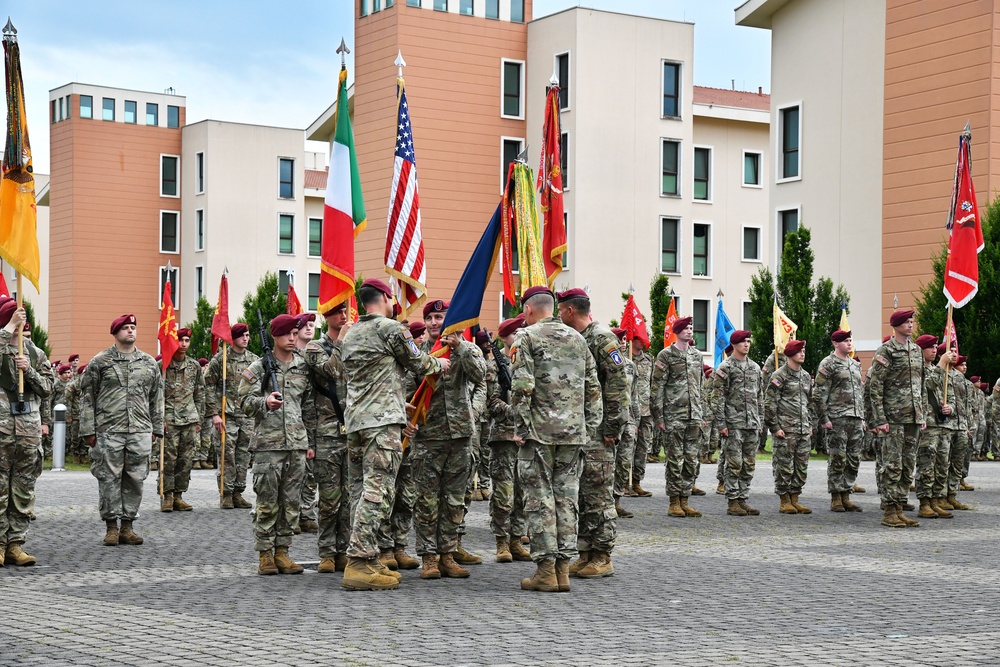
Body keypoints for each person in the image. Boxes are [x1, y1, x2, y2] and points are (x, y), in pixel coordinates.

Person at [340, 279, 449, 591]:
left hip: (358, 421)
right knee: (378, 491)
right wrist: (441, 363)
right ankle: (359, 562)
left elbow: (367, 378)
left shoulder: (352, 333)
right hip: (381, 424)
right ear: (385, 298)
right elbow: (417, 361)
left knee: (361, 491)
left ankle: (367, 555)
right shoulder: (390, 329)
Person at [510, 286, 602, 593]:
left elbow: (522, 386)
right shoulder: (578, 338)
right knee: (566, 499)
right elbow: (593, 388)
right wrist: (587, 428)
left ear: (530, 309)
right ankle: (563, 569)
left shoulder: (527, 337)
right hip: (573, 434)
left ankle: (546, 571)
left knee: (540, 501)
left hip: (539, 434)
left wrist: (521, 429)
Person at [411, 298, 486, 580]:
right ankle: (429, 558)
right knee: (427, 500)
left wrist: (461, 346)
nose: (434, 323)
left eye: (439, 317)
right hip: (428, 435)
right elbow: (407, 387)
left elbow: (480, 376)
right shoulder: (416, 351)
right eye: (429, 318)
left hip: (460, 434)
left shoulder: (468, 350)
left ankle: (448, 554)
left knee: (454, 500)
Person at [558, 288, 628, 579]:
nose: (558, 315)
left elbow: (618, 384)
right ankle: (585, 551)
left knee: (599, 493)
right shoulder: (579, 339)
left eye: (560, 310)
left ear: (570, 311)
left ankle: (603, 554)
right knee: (584, 495)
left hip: (599, 431)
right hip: (581, 428)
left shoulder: (602, 339)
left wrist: (613, 427)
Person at [238, 314, 313, 576]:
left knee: (291, 502)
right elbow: (243, 403)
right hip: (268, 445)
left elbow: (309, 406)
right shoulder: (259, 368)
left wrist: (309, 442)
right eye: (287, 335)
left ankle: (283, 552)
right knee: (268, 502)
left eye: (295, 333)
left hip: (296, 444)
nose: (292, 339)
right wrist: (264, 402)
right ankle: (265, 554)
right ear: (275, 337)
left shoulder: (303, 366)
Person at [80, 314, 163, 546]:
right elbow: (87, 396)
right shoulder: (100, 362)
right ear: (115, 333)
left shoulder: (148, 363)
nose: (130, 331)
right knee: (109, 478)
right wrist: (88, 429)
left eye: (133, 327)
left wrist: (157, 428)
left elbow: (157, 397)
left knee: (136, 479)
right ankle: (111, 527)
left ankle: (128, 526)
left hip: (139, 430)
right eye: (125, 328)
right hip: (108, 431)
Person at [302, 301, 353, 574]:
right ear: (327, 316)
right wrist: (342, 340)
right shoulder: (315, 348)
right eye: (337, 312)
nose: (343, 316)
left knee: (348, 498)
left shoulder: (351, 344)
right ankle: (326, 552)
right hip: (326, 432)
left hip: (352, 431)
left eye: (345, 311)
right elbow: (332, 370)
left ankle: (344, 550)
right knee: (330, 498)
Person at [0, 302, 53, 566]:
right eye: (13, 318)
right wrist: (7, 328)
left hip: (27, 433)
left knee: (23, 490)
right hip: (2, 432)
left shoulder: (34, 352)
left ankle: (15, 544)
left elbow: (47, 389)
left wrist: (28, 370)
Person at [868, 308, 926, 528]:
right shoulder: (886, 350)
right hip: (893, 418)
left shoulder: (916, 350)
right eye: (907, 322)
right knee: (892, 465)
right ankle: (889, 510)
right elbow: (876, 386)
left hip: (912, 417)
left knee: (907, 465)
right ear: (896, 325)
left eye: (912, 321)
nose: (911, 325)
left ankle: (900, 507)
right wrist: (879, 418)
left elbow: (919, 385)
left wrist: (921, 414)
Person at [651, 316, 705, 519]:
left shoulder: (696, 355)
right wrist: (659, 416)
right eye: (686, 328)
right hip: (673, 415)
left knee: (691, 460)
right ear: (677, 331)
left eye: (692, 327)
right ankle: (674, 501)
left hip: (694, 415)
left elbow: (700, 386)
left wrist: (702, 412)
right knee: (675, 460)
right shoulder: (666, 355)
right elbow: (657, 387)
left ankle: (685, 500)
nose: (690, 331)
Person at [486, 315, 530, 563]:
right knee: (504, 492)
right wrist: (514, 410)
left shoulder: (527, 362)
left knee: (522, 491)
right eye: (516, 333)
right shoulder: (495, 365)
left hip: (525, 435)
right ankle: (501, 542)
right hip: (503, 436)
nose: (520, 336)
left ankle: (516, 539)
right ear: (505, 337)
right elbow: (491, 402)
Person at [204, 323, 258, 510]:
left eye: (248, 335)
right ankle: (225, 493)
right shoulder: (221, 359)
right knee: (227, 455)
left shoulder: (254, 360)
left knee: (243, 455)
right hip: (226, 416)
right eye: (242, 335)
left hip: (247, 415)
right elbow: (208, 387)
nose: (246, 338)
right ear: (232, 338)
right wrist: (214, 414)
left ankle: (238, 492)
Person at [710, 330, 763, 516]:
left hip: (752, 423)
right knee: (734, 463)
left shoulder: (755, 367)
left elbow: (759, 396)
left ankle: (742, 498)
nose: (747, 344)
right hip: (733, 423)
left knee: (749, 463)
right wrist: (721, 423)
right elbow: (717, 397)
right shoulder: (726, 367)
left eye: (749, 341)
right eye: (743, 342)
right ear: (734, 345)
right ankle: (732, 500)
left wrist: (760, 420)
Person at [813, 330, 865, 513]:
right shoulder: (828, 364)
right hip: (837, 418)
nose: (849, 343)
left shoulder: (855, 365)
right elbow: (818, 393)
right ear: (835, 343)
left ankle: (846, 494)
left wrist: (862, 416)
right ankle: (836, 496)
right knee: (838, 457)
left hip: (855, 418)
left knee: (853, 458)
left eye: (851, 340)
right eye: (845, 341)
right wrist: (824, 418)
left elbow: (860, 392)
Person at [764, 339, 813, 514]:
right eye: (799, 351)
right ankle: (784, 500)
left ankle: (795, 498)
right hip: (785, 430)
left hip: (802, 429)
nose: (802, 354)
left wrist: (810, 424)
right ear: (791, 354)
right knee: (784, 466)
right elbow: (769, 404)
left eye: (804, 351)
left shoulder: (806, 376)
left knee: (801, 467)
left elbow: (810, 403)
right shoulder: (779, 375)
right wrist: (775, 427)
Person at [160, 327, 206, 512]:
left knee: (186, 460)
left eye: (187, 340)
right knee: (168, 459)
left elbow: (199, 393)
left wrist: (199, 419)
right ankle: (167, 495)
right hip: (169, 419)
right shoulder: (163, 366)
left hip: (189, 419)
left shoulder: (194, 366)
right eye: (180, 340)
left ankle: (179, 495)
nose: (183, 344)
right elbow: (155, 396)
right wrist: (159, 419)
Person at [915, 338, 954, 521]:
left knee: (942, 464)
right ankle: (924, 502)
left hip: (942, 423)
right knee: (926, 464)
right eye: (929, 347)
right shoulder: (918, 368)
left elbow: (950, 396)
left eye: (934, 347)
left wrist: (949, 408)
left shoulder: (940, 371)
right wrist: (942, 363)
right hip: (927, 423)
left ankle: (937, 500)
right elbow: (927, 384)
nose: (933, 350)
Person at [610, 327, 637, 520]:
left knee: (624, 462)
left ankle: (617, 500)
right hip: (610, 420)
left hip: (628, 420)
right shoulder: (603, 363)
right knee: (607, 463)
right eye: (619, 338)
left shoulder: (630, 366)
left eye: (624, 338)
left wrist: (635, 420)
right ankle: (605, 502)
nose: (623, 342)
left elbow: (634, 395)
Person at [629, 336, 654, 497]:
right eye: (639, 338)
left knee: (643, 447)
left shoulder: (649, 360)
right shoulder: (624, 358)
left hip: (645, 410)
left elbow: (652, 383)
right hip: (629, 410)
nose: (643, 340)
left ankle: (637, 481)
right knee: (627, 448)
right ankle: (624, 482)